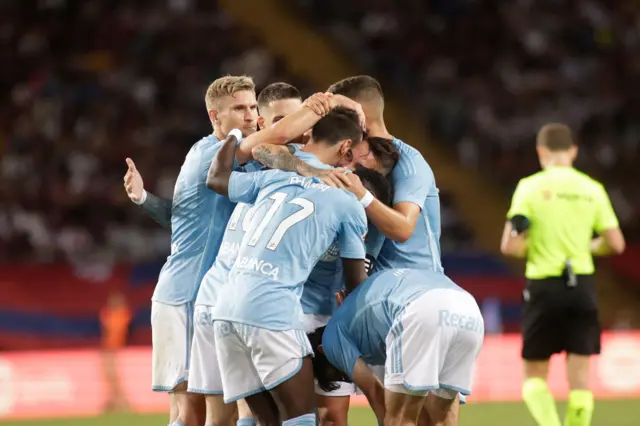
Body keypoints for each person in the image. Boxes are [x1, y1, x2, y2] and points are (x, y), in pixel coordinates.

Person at [122, 76, 316, 426]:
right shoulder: (214, 154)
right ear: (215, 115)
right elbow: (278, 134)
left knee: (225, 410)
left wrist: (143, 199)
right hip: (185, 294)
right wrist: (322, 106)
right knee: (190, 412)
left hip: (214, 296)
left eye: (253, 106)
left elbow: (183, 219)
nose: (249, 115)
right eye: (239, 108)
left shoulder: (221, 156)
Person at [187, 87, 365, 426]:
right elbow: (356, 288)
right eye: (353, 153)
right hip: (272, 311)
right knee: (300, 419)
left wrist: (236, 136)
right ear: (345, 148)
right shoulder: (346, 201)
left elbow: (217, 178)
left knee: (263, 422)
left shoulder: (274, 175)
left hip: (225, 310)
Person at [500, 123, 625, 426]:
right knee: (580, 378)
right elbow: (616, 243)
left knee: (534, 375)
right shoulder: (591, 189)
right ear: (573, 151)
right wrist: (586, 245)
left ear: (541, 152)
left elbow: (510, 245)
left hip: (543, 285)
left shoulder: (529, 187)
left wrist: (537, 243)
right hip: (581, 285)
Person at [314, 268, 484, 426]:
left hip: (421, 309)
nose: (347, 378)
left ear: (322, 349)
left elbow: (376, 393)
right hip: (469, 310)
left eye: (339, 375)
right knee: (441, 415)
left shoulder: (331, 338)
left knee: (400, 417)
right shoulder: (357, 312)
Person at [100, 292, 132, 413]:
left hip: (113, 348)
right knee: (110, 376)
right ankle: (114, 401)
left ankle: (120, 401)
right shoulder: (114, 315)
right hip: (109, 348)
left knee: (113, 376)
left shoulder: (121, 315)